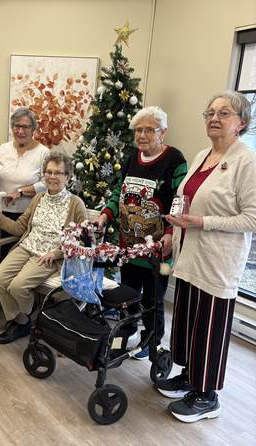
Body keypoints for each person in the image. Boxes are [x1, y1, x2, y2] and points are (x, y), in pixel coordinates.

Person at [156, 91, 256, 423]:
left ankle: (207, 395)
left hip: (218, 259)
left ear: (241, 123)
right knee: (186, 320)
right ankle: (189, 378)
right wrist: (172, 232)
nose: (214, 118)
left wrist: (202, 223)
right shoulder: (203, 155)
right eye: (210, 112)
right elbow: (186, 199)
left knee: (209, 327)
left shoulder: (247, 161)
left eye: (224, 113)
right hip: (189, 254)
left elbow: (252, 218)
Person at [98, 106, 187, 359]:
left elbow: (180, 202)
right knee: (127, 295)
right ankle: (126, 336)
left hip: (159, 252)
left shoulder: (175, 161)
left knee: (154, 300)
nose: (143, 135)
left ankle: (152, 344)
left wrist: (171, 233)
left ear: (163, 132)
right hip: (129, 247)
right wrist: (106, 214)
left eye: (149, 129)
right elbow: (119, 193)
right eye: (138, 130)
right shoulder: (131, 157)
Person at [0, 151, 87, 344]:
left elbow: (83, 238)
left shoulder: (75, 204)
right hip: (26, 247)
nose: (52, 177)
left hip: (49, 256)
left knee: (18, 286)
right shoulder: (38, 199)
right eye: (49, 172)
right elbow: (19, 228)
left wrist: (56, 253)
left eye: (58, 173)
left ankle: (25, 319)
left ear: (68, 177)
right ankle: (22, 321)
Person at [0, 107, 49, 220]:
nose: (20, 131)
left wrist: (21, 191)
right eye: (17, 126)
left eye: (25, 127)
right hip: (0, 211)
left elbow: (47, 183)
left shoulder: (43, 152)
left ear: (33, 129)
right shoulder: (3, 148)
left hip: (27, 214)